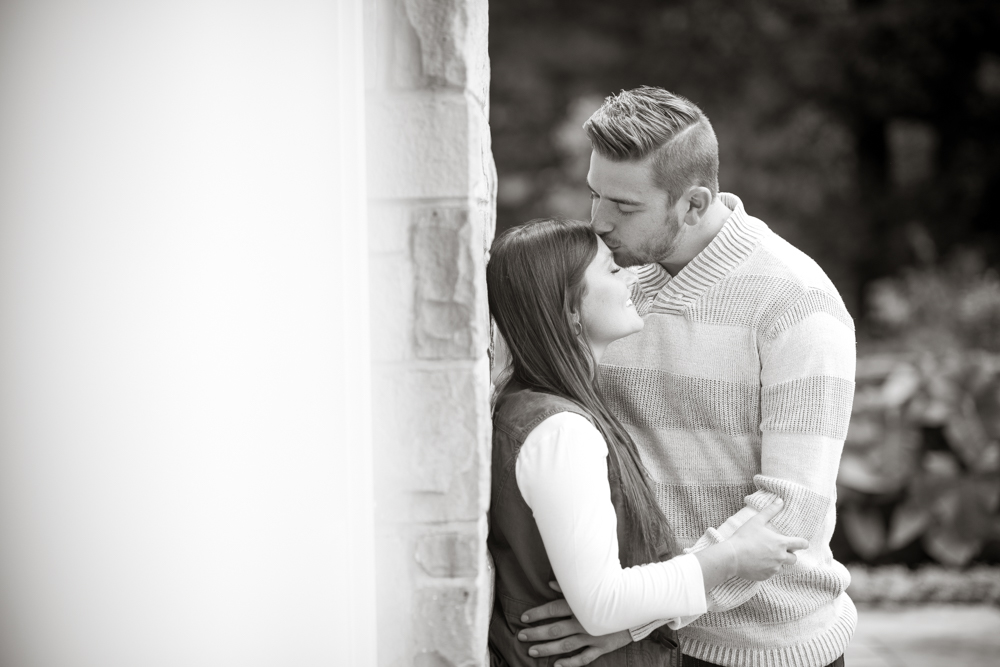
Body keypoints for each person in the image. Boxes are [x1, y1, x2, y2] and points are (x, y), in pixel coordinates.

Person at [520, 87, 857, 667]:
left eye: (624, 207)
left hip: (765, 649)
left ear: (695, 204)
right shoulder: (608, 286)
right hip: (647, 644)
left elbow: (787, 517)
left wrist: (634, 617)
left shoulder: (796, 303)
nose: (598, 222)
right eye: (594, 194)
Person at [486, 217, 810, 667]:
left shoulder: (532, 406)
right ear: (569, 309)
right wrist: (731, 557)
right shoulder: (560, 430)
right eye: (613, 270)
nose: (633, 276)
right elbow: (602, 604)